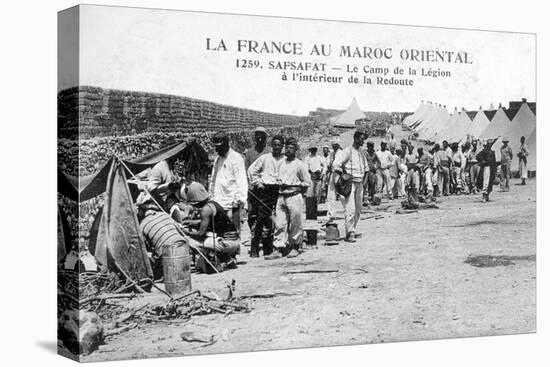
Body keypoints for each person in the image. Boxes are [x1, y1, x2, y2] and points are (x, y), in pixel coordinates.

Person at [181, 182, 240, 272]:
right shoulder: (213, 204)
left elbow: (200, 233)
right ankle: (227, 259)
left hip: (226, 244)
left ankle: (219, 260)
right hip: (235, 242)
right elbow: (206, 222)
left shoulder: (205, 210)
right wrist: (191, 222)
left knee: (191, 241)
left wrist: (185, 232)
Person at [247, 135, 285, 259]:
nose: (277, 147)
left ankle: (270, 249)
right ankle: (255, 248)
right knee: (261, 219)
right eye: (275, 145)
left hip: (279, 190)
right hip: (266, 190)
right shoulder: (265, 158)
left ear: (282, 146)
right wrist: (258, 183)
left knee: (278, 218)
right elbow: (252, 170)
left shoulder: (285, 160)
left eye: (279, 145)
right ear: (272, 146)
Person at [273, 137, 310, 258]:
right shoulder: (281, 163)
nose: (288, 150)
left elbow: (306, 182)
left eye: (291, 148)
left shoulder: (299, 164)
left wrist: (296, 188)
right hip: (281, 196)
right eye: (287, 148)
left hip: (294, 196)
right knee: (280, 223)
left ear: (295, 150)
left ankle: (295, 246)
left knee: (295, 223)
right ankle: (279, 248)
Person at [138, 198, 190, 280]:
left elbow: (144, 247)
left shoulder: (143, 225)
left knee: (154, 266)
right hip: (182, 247)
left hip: (166, 252)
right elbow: (180, 231)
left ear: (142, 212)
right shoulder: (165, 215)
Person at [209, 131, 248, 238]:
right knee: (220, 235)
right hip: (218, 204)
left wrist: (236, 203)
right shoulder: (218, 159)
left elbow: (242, 182)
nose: (217, 150)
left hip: (231, 205)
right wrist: (211, 197)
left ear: (226, 144)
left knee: (232, 235)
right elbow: (213, 180)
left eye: (219, 147)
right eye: (215, 147)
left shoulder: (236, 158)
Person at [333, 130, 368, 242]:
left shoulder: (362, 153)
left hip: (360, 183)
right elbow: (336, 164)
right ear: (356, 138)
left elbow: (366, 169)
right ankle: (350, 232)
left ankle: (352, 229)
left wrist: (365, 182)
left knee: (358, 209)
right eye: (361, 138)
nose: (363, 141)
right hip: (350, 183)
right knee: (350, 208)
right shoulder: (347, 151)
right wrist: (342, 177)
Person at [244, 127, 271, 248]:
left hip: (267, 189)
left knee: (267, 214)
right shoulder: (249, 153)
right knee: (252, 214)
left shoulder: (270, 152)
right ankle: (255, 235)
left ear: (266, 138)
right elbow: (247, 171)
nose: (260, 139)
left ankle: (266, 237)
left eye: (262, 136)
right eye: (257, 136)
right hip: (253, 189)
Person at [147, 156, 184, 222]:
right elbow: (151, 189)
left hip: (173, 201)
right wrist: (168, 186)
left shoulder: (173, 168)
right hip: (160, 203)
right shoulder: (160, 168)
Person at [326, 140, 343, 219]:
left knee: (342, 194)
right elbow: (329, 164)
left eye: (335, 145)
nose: (334, 147)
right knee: (330, 194)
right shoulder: (332, 154)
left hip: (339, 173)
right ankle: (331, 213)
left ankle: (348, 211)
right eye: (333, 145)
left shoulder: (341, 153)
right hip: (332, 173)